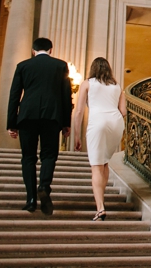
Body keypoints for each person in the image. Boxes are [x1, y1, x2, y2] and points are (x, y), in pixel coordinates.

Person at [7, 37, 72, 215]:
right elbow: (66, 96)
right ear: (51, 50)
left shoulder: (23, 66)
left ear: (33, 50)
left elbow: (14, 95)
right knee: (49, 154)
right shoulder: (60, 66)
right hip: (52, 116)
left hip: (27, 116)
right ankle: (44, 185)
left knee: (28, 157)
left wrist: (12, 123)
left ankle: (30, 199)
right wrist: (66, 123)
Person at [72, 57, 126, 221]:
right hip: (116, 123)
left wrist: (76, 135)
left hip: (98, 122)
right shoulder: (117, 87)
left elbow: (79, 110)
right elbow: (123, 111)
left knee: (96, 166)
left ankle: (100, 207)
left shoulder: (87, 83)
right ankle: (101, 199)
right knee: (104, 162)